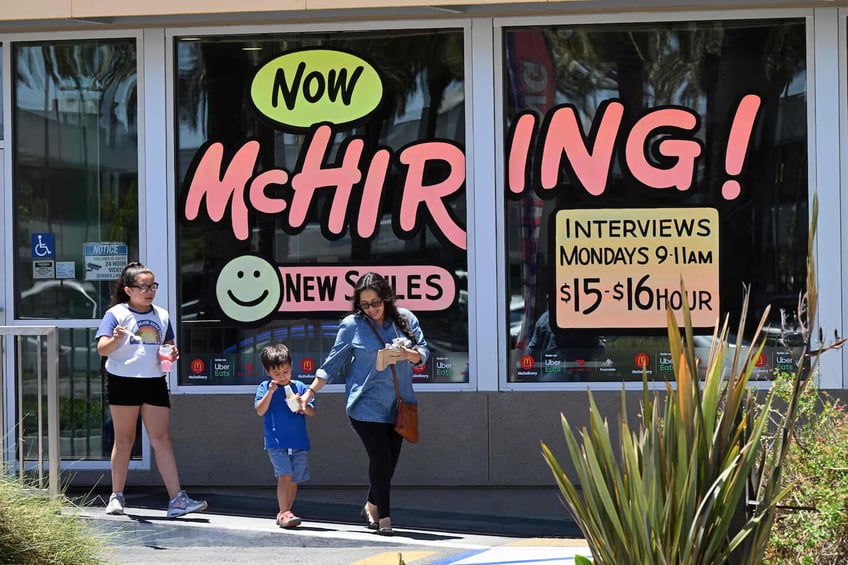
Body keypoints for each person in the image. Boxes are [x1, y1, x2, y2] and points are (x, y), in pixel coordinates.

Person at [300, 272, 428, 537]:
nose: (371, 309)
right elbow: (332, 364)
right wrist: (310, 392)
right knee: (380, 457)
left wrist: (407, 354)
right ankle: (385, 518)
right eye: (365, 304)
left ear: (386, 299)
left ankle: (371, 505)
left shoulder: (404, 319)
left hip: (399, 405)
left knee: (388, 463)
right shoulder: (352, 325)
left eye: (376, 303)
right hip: (364, 404)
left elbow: (424, 353)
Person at [96, 261, 207, 518]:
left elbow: (167, 345)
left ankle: (177, 500)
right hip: (123, 379)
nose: (149, 291)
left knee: (162, 440)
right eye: (143, 286)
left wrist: (172, 353)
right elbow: (102, 349)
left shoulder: (162, 315)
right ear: (128, 289)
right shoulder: (116, 314)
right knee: (124, 440)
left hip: (154, 380)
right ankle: (117, 496)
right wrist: (116, 339)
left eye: (152, 286)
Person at [254, 343, 316, 528]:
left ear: (291, 367)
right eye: (277, 374)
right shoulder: (265, 387)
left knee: (295, 478)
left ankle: (285, 512)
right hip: (276, 442)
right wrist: (271, 393)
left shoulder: (300, 387)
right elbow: (259, 410)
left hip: (299, 441)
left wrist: (303, 405)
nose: (282, 377)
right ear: (267, 372)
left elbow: (312, 412)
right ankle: (284, 513)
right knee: (284, 475)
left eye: (286, 372)